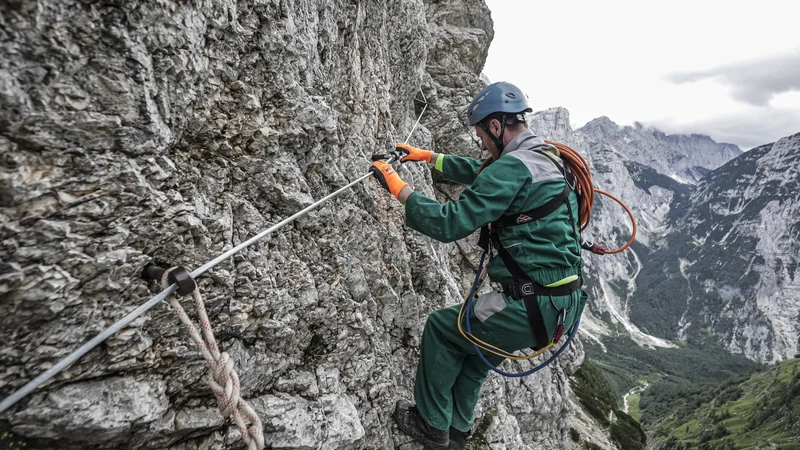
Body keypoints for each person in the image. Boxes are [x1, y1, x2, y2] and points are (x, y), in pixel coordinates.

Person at [370, 81, 587, 450]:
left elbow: (448, 223)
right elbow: (485, 172)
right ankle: (458, 435)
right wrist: (427, 157)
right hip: (561, 304)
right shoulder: (548, 158)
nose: (481, 144)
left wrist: (397, 187)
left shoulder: (512, 167)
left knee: (442, 328)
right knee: (476, 357)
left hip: (529, 306)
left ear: (497, 127)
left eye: (481, 135)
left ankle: (432, 426)